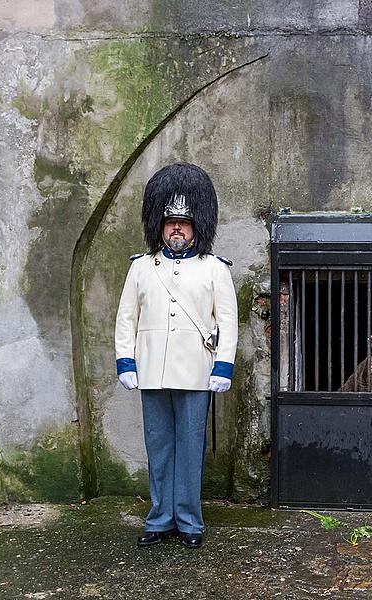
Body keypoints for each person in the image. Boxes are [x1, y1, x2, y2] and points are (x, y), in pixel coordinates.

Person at [115, 163, 238, 550]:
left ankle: (189, 521)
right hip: (151, 373)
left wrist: (222, 366)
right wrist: (126, 362)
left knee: (189, 450)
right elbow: (126, 319)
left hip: (196, 374)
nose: (177, 229)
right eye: (170, 222)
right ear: (160, 226)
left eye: (184, 222)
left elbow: (228, 322)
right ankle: (159, 518)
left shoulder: (215, 269)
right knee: (159, 448)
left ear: (197, 225)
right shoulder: (140, 268)